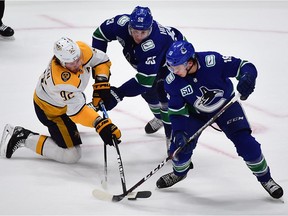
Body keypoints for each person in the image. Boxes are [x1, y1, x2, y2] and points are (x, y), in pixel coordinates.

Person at [156, 40, 284, 199]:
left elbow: (244, 65)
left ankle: (266, 179)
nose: (173, 71)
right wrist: (180, 132)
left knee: (247, 144)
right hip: (195, 113)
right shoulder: (172, 82)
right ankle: (179, 173)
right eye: (170, 67)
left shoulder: (213, 62)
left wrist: (248, 78)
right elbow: (176, 111)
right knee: (179, 151)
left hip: (226, 107)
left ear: (189, 63)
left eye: (176, 67)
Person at [0, 37, 121, 163]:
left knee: (79, 101)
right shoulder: (63, 81)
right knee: (71, 155)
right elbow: (77, 112)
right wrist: (99, 124)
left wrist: (101, 82)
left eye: (78, 59)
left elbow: (101, 60)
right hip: (51, 111)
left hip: (66, 101)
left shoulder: (81, 50)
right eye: (72, 63)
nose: (78, 64)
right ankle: (23, 136)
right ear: (62, 62)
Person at [91, 6, 186, 150]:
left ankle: (172, 136)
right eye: (135, 31)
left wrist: (118, 94)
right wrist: (99, 69)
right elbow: (99, 35)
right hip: (152, 64)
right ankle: (160, 118)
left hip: (173, 59)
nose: (139, 36)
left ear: (150, 28)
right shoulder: (120, 24)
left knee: (165, 94)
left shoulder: (155, 43)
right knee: (148, 93)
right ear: (129, 25)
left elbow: (143, 81)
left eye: (144, 32)